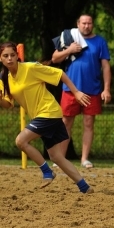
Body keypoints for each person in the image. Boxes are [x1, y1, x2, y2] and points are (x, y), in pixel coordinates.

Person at [0, 42, 93, 193]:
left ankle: (47, 172)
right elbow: (8, 104)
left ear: (17, 56)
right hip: (41, 117)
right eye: (5, 56)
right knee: (56, 156)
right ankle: (84, 187)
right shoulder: (4, 78)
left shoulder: (30, 68)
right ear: (1, 59)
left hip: (49, 112)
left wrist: (76, 92)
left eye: (12, 55)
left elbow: (59, 74)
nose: (10, 58)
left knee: (21, 141)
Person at [51, 14, 111, 169]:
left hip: (93, 90)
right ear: (78, 24)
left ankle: (84, 159)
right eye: (84, 23)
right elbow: (55, 58)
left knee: (89, 123)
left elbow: (105, 66)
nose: (86, 26)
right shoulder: (70, 38)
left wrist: (106, 89)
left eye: (89, 23)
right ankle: (60, 159)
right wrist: (69, 50)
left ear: (92, 25)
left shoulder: (100, 42)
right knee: (65, 123)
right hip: (71, 89)